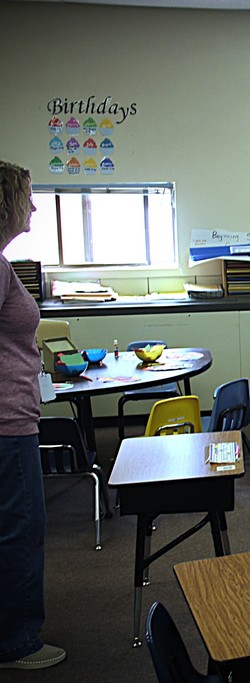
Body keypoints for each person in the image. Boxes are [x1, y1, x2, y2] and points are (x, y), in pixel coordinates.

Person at [0, 161, 66, 671]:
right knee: (20, 527)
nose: (35, 206)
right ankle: (17, 642)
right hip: (6, 424)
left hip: (14, 415)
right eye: (28, 196)